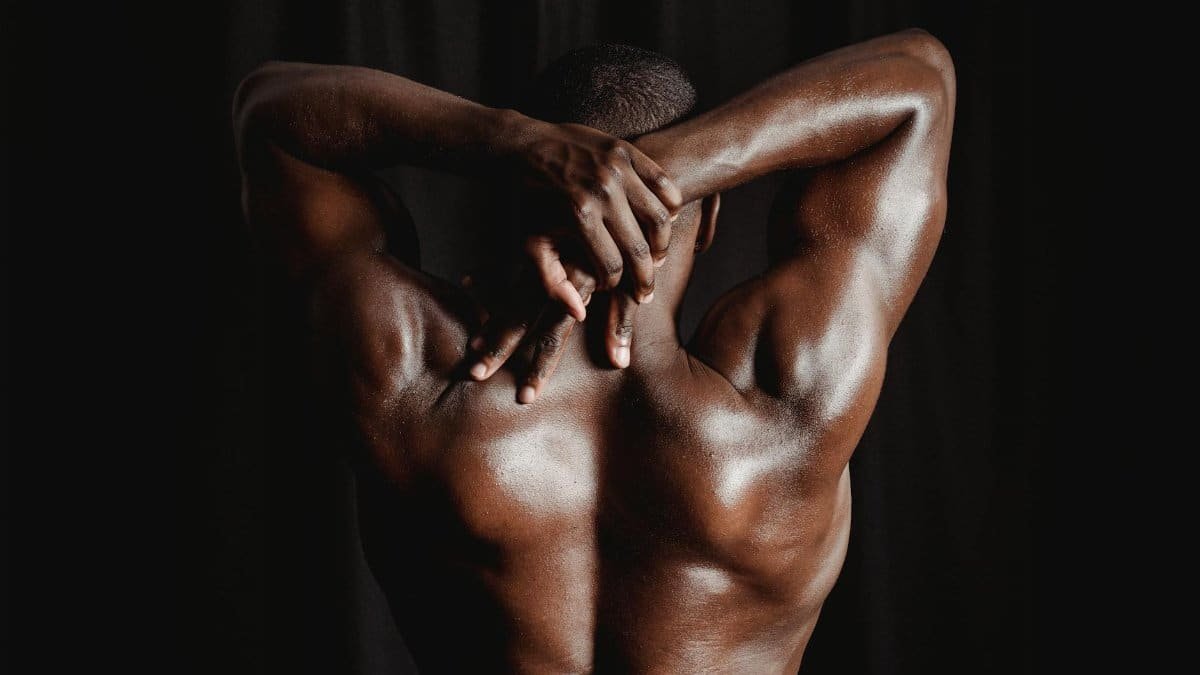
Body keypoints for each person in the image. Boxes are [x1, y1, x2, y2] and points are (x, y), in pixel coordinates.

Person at [234, 28, 954, 673]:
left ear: (516, 203)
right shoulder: (786, 395)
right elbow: (920, 79)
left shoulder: (414, 379)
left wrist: (516, 144)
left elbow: (269, 114)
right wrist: (674, 174)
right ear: (707, 227)